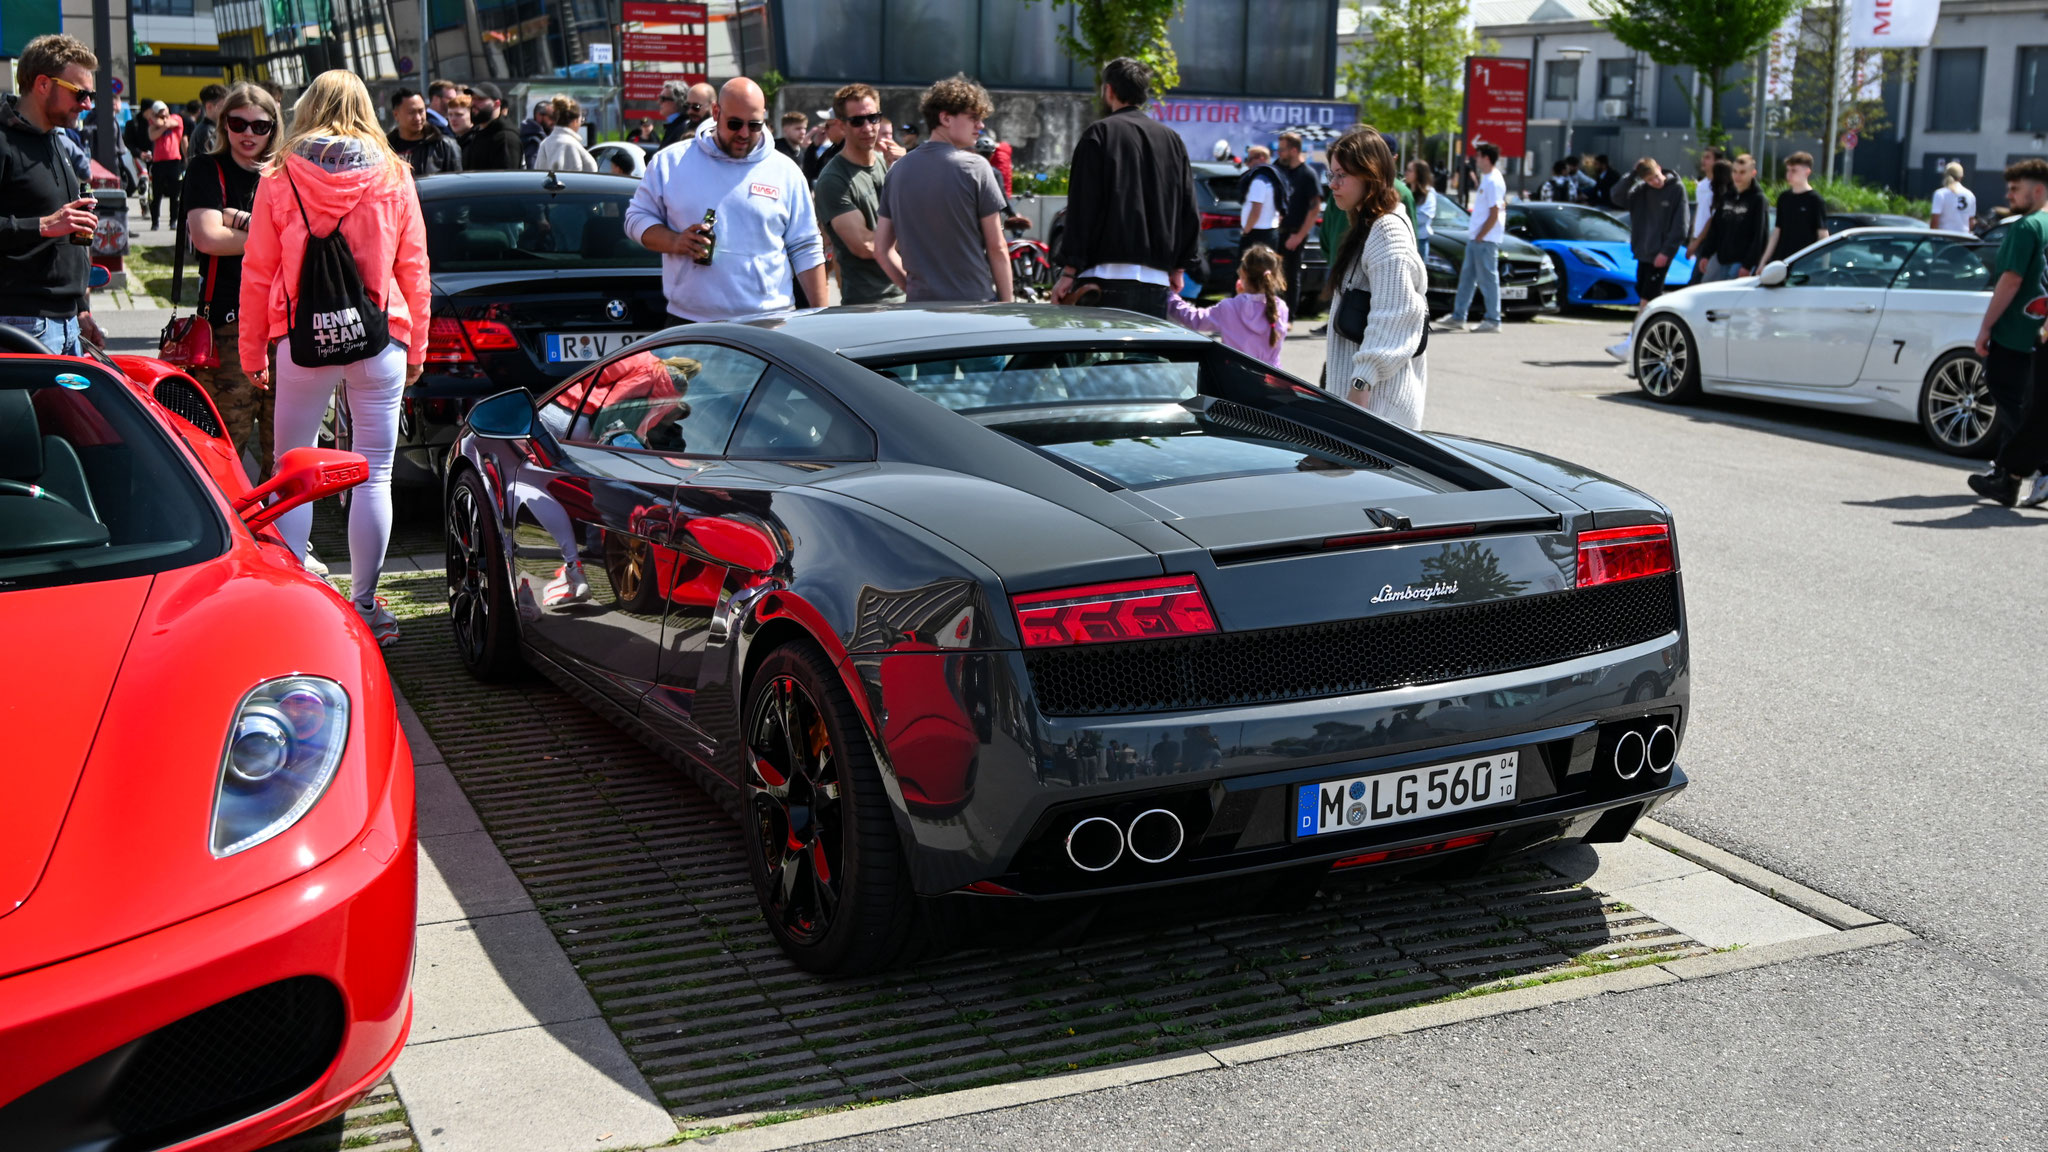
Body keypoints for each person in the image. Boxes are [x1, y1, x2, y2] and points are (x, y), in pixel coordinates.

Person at [239, 69, 430, 646]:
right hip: (380, 338)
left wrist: (253, 350)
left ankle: (298, 601)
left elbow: (257, 270)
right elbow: (414, 268)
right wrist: (417, 345)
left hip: (300, 340)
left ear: (307, 108)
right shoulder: (395, 174)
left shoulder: (279, 176)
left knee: (293, 471)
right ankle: (367, 605)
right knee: (374, 473)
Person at [624, 76, 825, 323]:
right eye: (734, 123)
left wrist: (821, 320)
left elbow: (806, 246)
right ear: (716, 112)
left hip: (769, 323)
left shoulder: (785, 171)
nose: (743, 133)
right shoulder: (671, 162)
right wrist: (674, 241)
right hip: (689, 322)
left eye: (754, 125)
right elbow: (635, 218)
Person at [1049, 57, 1199, 319]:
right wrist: (1179, 267)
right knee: (1145, 358)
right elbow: (1188, 207)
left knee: (1101, 359)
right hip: (1157, 278)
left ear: (1109, 90)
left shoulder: (1099, 134)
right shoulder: (1172, 141)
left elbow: (1084, 206)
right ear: (1144, 93)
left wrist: (1069, 270)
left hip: (1102, 278)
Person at [183, 82, 282, 478]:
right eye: (238, 124)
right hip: (229, 325)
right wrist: (269, 237)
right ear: (224, 124)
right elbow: (207, 237)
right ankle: (230, 530)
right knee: (225, 446)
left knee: (283, 449)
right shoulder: (207, 169)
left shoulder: (284, 173)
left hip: (283, 328)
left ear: (274, 128)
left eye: (260, 126)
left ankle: (277, 535)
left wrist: (237, 221)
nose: (248, 134)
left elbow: (301, 241)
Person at [0, 34, 106, 355]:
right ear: (43, 84)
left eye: (91, 94)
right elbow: (50, 225)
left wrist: (81, 307)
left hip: (68, 322)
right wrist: (44, 225)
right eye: (80, 93)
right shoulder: (4, 141)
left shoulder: (55, 139)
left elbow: (66, 236)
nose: (87, 104)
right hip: (20, 322)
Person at [1323, 126, 1428, 426]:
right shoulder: (1368, 223)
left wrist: (1361, 385)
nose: (1333, 184)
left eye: (1342, 175)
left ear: (1370, 173)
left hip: (1377, 405)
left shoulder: (1386, 229)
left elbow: (1396, 314)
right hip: (1366, 400)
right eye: (1331, 174)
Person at [874, 74, 1012, 304]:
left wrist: (911, 288)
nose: (981, 125)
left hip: (920, 308)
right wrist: (1007, 307)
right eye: (974, 118)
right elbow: (997, 247)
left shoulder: (898, 171)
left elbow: (881, 249)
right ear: (946, 118)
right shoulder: (976, 168)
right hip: (974, 306)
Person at [1969, 159, 2048, 459]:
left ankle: (2031, 468)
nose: (2009, 196)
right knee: (2028, 405)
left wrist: (1986, 327)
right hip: (2039, 334)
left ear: (2038, 190)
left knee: (2010, 401)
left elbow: (2011, 280)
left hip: (2015, 331)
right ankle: (2005, 472)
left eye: (2016, 189)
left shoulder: (2026, 226)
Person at [813, 82, 905, 306]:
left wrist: (906, 171)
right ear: (841, 125)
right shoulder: (833, 179)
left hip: (907, 295)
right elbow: (863, 246)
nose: (867, 127)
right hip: (867, 304)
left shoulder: (891, 164)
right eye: (857, 121)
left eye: (873, 118)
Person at [1606, 158, 1692, 361]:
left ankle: (1631, 344)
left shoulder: (1676, 189)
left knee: (1646, 299)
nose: (1655, 182)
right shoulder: (1640, 191)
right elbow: (1616, 197)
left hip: (1660, 254)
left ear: (1660, 169)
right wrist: (1632, 175)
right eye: (1650, 180)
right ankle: (1650, 343)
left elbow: (1681, 225)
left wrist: (1667, 251)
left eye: (1656, 177)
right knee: (1646, 299)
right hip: (1643, 252)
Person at [1167, 243, 1288, 365]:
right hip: (1270, 379)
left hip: (1235, 375)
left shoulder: (1229, 307)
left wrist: (1169, 295)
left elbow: (1194, 319)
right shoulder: (1281, 308)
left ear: (1243, 273)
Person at [1443, 141, 1506, 333]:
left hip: (1485, 240)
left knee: (1488, 280)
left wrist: (1481, 235)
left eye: (1478, 156)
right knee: (1467, 278)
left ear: (1486, 158)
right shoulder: (1487, 179)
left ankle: (1493, 319)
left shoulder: (1494, 180)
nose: (1475, 160)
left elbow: (1495, 212)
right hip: (1478, 239)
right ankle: (1458, 316)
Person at [1274, 131, 1321, 321]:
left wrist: (1300, 235)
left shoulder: (1307, 174)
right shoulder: (1279, 169)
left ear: (1294, 150)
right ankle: (1273, 313)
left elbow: (1315, 207)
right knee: (1272, 274)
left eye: (1283, 149)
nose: (1279, 153)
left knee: (1291, 276)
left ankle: (1289, 317)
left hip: (1295, 233)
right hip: (1276, 232)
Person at [1698, 153, 1767, 281]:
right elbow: (1715, 229)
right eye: (1734, 171)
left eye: (1742, 172)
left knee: (1730, 297)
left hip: (1741, 262)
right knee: (1705, 287)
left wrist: (1748, 264)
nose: (1737, 176)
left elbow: (1760, 235)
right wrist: (1706, 254)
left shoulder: (1758, 199)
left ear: (1753, 173)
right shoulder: (1726, 197)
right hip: (1721, 257)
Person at [1759, 152, 1828, 267]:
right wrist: (1763, 261)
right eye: (1788, 170)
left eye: (1794, 170)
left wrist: (1824, 267)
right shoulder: (1784, 198)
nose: (1789, 174)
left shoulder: (1815, 200)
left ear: (1807, 172)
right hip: (1781, 260)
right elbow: (1777, 231)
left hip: (1804, 263)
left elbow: (1823, 234)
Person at [386, 87, 461, 179]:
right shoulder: (385, 148)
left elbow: (456, 183)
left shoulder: (445, 146)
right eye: (411, 112)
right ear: (396, 115)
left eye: (421, 111)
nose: (418, 118)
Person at [1684, 145, 1723, 285]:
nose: (1703, 160)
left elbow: (1712, 217)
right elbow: (1699, 213)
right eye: (1703, 157)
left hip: (1709, 240)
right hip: (1697, 238)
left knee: (1697, 281)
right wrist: (1692, 239)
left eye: (1708, 157)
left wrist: (1698, 241)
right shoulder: (1702, 185)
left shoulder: (1719, 187)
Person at [460, 81, 521, 171]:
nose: (474, 103)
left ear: (496, 104)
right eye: (473, 99)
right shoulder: (476, 133)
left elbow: (506, 180)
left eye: (480, 99)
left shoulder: (505, 137)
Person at [146, 100, 187, 229]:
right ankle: (155, 222)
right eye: (159, 112)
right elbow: (152, 136)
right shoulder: (153, 123)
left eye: (164, 110)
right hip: (158, 163)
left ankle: (173, 220)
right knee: (156, 195)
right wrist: (162, 125)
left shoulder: (176, 118)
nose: (163, 114)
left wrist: (159, 122)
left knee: (175, 195)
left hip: (174, 161)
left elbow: (171, 123)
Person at [1237, 143, 1284, 251]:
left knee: (1250, 267)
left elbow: (1256, 210)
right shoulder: (1273, 178)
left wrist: (1246, 231)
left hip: (1257, 234)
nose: (1247, 163)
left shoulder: (1259, 180)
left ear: (1261, 158)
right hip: (1271, 233)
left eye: (1250, 159)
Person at [534, 95, 597, 173]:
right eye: (581, 120)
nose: (580, 124)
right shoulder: (569, 145)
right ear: (575, 121)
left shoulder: (545, 143)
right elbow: (573, 179)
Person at [1931, 162, 1977, 232]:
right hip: (1963, 238)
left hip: (1944, 237)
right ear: (1961, 176)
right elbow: (1971, 223)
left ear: (1945, 175)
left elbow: (1935, 221)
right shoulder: (1970, 195)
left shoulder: (1940, 194)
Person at [188, 82, 227, 162]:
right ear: (209, 106)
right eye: (223, 107)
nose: (226, 111)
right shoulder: (207, 132)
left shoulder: (208, 129)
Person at [802, 115, 843, 183]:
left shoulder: (850, 150)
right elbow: (811, 174)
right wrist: (814, 146)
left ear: (841, 125)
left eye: (827, 126)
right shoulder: (832, 149)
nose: (825, 131)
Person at [1408, 159, 1436, 253]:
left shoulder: (1429, 193)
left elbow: (1423, 218)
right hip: (1405, 239)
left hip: (1419, 241)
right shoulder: (1404, 190)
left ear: (1419, 174)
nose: (1406, 173)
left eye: (1410, 170)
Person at [520, 99, 552, 169]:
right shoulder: (534, 141)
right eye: (551, 117)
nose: (554, 121)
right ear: (539, 116)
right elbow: (532, 169)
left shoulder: (533, 135)